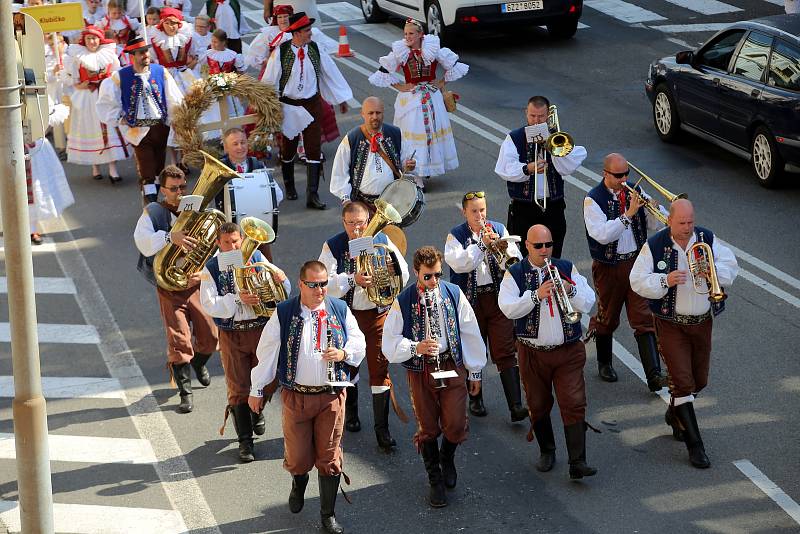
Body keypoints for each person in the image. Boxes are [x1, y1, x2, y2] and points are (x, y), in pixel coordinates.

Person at [249, 261, 366, 534]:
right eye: (313, 284)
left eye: (324, 284)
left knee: (329, 458)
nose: (320, 290)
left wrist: (344, 353)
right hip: (297, 396)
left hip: (331, 395)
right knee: (299, 458)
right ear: (301, 284)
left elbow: (358, 341)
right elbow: (266, 353)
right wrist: (256, 389)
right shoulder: (285, 313)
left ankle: (328, 515)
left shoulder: (339, 308)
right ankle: (298, 482)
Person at [630, 199, 738, 469]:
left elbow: (731, 266)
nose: (688, 228)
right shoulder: (655, 245)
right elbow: (637, 280)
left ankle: (674, 411)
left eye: (690, 222)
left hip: (701, 321)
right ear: (670, 221)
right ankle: (696, 447)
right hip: (670, 323)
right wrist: (664, 280)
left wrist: (712, 271)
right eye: (682, 223)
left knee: (699, 380)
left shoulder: (706, 238)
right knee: (683, 381)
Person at [382, 246, 487, 508]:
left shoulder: (452, 293)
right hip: (421, 369)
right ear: (416, 272)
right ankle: (435, 479)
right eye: (427, 276)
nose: (433, 281)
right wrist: (414, 347)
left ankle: (447, 456)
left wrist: (474, 371)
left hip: (451, 363)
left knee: (454, 423)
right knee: (428, 426)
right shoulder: (404, 300)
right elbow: (389, 342)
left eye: (437, 275)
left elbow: (471, 331)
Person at [499, 225, 598, 479]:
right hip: (532, 352)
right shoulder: (515, 274)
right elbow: (508, 308)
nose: (545, 251)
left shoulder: (565, 268)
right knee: (538, 403)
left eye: (548, 245)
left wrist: (571, 290)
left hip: (568, 351)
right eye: (539, 246)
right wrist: (535, 296)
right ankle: (547, 450)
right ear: (527, 247)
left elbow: (588, 302)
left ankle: (578, 461)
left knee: (574, 402)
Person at [318, 201, 409, 451]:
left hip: (377, 314)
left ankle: (383, 430)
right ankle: (352, 413)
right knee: (349, 363)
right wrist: (353, 279)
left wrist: (391, 269)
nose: (358, 230)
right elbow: (324, 283)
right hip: (347, 315)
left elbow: (404, 273)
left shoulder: (381, 240)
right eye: (352, 224)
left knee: (380, 369)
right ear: (343, 223)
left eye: (361, 223)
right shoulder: (334, 245)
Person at [200, 222, 290, 462]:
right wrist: (237, 298)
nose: (232, 246)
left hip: (261, 330)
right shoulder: (212, 268)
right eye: (227, 243)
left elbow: (284, 289)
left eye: (236, 242)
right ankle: (245, 443)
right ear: (219, 243)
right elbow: (209, 304)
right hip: (233, 334)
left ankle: (256, 411)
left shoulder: (257, 256)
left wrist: (280, 279)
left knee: (269, 378)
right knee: (238, 387)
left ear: (241, 240)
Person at [133, 165, 219, 413]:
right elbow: (143, 242)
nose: (180, 192)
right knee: (179, 337)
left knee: (210, 336)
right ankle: (185, 391)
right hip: (169, 285)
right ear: (163, 190)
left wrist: (203, 272)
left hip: (196, 282)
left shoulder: (198, 211)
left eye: (183, 187)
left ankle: (199, 363)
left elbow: (214, 246)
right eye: (174, 188)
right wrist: (171, 236)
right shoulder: (154, 212)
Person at [583, 153, 668, 390]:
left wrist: (654, 210)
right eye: (618, 175)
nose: (624, 179)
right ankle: (604, 362)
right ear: (605, 174)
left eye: (626, 174)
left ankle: (654, 375)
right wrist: (629, 214)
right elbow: (602, 234)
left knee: (644, 318)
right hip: (609, 267)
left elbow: (657, 224)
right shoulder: (593, 200)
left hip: (637, 264)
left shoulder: (634, 192)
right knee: (607, 317)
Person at [444, 191, 527, 421]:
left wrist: (503, 250)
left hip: (497, 298)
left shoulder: (499, 229)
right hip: (470, 302)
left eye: (482, 210)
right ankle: (476, 399)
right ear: (465, 213)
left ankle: (516, 405)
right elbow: (461, 264)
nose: (480, 215)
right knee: (474, 349)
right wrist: (481, 245)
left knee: (505, 349)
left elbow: (515, 260)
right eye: (474, 211)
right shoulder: (456, 236)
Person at [261, 12, 353, 210]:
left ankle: (313, 194)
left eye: (310, 29)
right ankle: (290, 186)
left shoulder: (315, 49)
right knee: (288, 149)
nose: (310, 33)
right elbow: (269, 80)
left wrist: (342, 98)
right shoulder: (281, 52)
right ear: (296, 33)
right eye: (307, 30)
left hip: (312, 105)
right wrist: (269, 105)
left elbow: (331, 73)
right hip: (288, 106)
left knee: (314, 149)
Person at [368, 19, 467, 185]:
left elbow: (454, 66)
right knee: (413, 136)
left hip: (432, 99)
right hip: (411, 99)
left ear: (421, 34)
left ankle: (427, 167)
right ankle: (416, 175)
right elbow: (383, 72)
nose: (407, 37)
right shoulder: (401, 52)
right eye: (405, 34)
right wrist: (400, 86)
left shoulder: (433, 49)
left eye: (411, 33)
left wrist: (442, 82)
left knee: (431, 134)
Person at [494, 96, 587, 259]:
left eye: (541, 116)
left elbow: (568, 167)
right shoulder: (514, 138)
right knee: (522, 256)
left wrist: (554, 150)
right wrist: (527, 169)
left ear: (548, 116)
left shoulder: (558, 138)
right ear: (526, 113)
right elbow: (504, 169)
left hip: (553, 206)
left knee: (554, 254)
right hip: (524, 208)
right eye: (532, 116)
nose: (536, 121)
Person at [97, 35, 183, 204]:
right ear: (132, 55)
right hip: (138, 131)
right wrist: (120, 118)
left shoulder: (160, 71)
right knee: (147, 172)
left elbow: (173, 97)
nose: (145, 55)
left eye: (146, 51)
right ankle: (150, 205)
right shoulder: (120, 77)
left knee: (159, 170)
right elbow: (106, 102)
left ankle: (155, 201)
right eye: (140, 52)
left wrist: (176, 118)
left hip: (160, 127)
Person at [63, 27, 129, 184]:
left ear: (100, 39)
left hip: (105, 96)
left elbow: (116, 75)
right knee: (91, 129)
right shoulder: (77, 57)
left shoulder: (109, 54)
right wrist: (81, 85)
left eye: (95, 38)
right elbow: (72, 80)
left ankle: (113, 168)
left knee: (110, 128)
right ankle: (95, 166)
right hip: (87, 98)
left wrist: (109, 84)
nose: (92, 42)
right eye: (89, 39)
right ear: (84, 41)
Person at [330, 96, 416, 209]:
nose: (375, 117)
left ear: (383, 113)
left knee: (393, 228)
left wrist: (409, 165)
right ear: (363, 114)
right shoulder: (352, 138)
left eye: (378, 113)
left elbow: (407, 159)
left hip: (393, 203)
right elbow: (339, 173)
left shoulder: (396, 133)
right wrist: (347, 201)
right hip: (362, 204)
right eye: (370, 113)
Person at [216, 127, 284, 262]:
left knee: (265, 267)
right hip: (230, 235)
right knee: (232, 269)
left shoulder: (258, 164)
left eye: (243, 142)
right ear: (226, 148)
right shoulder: (220, 168)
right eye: (235, 144)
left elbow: (277, 194)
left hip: (256, 230)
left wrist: (260, 207)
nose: (240, 147)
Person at [197, 29, 245, 116]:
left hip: (228, 86)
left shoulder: (232, 55)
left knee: (230, 109)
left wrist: (239, 84)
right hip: (212, 86)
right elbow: (199, 66)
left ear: (223, 42)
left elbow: (240, 71)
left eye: (216, 42)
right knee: (213, 111)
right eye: (212, 41)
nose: (212, 44)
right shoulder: (208, 54)